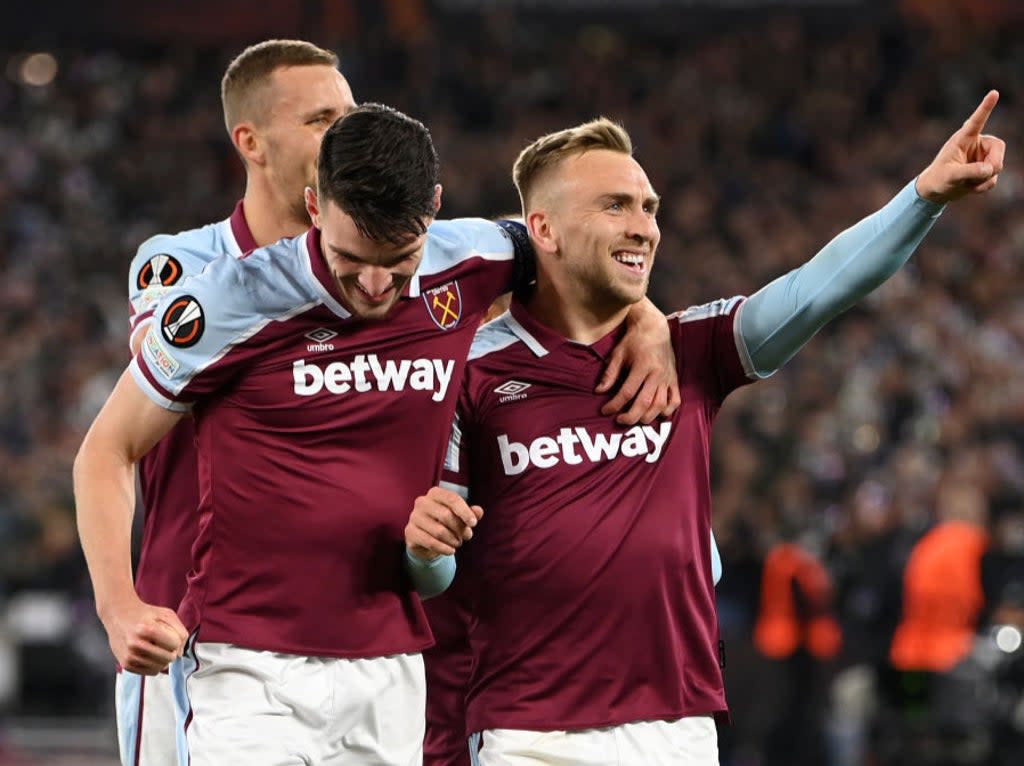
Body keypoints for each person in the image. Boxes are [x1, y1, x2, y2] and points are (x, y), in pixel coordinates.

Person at [404, 91, 1005, 765]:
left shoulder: (691, 350)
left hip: (680, 728)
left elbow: (818, 289)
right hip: (529, 733)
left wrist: (923, 197)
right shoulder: (469, 373)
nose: (644, 227)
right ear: (543, 230)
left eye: (649, 208)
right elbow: (432, 571)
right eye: (615, 205)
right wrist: (426, 550)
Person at [75, 102, 679, 765]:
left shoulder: (475, 255)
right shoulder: (228, 300)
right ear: (315, 205)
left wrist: (647, 317)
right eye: (350, 257)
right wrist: (119, 608)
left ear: (435, 209)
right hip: (249, 669)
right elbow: (107, 449)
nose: (373, 284)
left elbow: (582, 253)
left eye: (399, 260)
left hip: (391, 670)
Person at [119, 38, 355, 766]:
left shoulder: (387, 272)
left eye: (352, 116)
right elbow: (166, 358)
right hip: (187, 636)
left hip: (348, 641)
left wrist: (637, 315)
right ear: (250, 141)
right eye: (321, 119)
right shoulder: (180, 261)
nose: (346, 134)